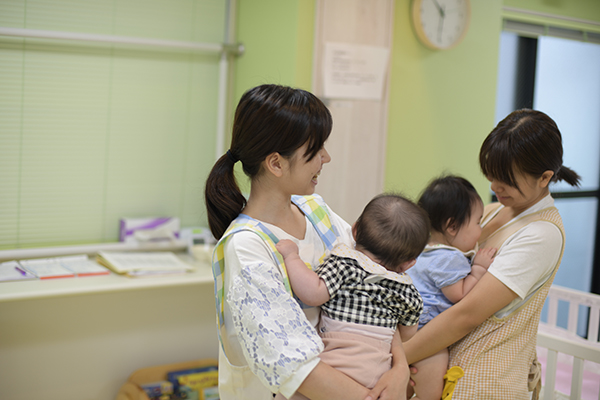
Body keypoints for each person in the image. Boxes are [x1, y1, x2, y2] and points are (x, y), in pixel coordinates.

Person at [205, 84, 407, 400]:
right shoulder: (247, 246)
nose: (326, 157)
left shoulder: (317, 211)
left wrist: (400, 367)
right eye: (315, 150)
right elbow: (294, 368)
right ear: (276, 163)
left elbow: (374, 284)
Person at [403, 109, 581, 400]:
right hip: (440, 361)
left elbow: (467, 314)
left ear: (545, 177)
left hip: (482, 380)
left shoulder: (541, 233)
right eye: (491, 175)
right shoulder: (496, 210)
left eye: (506, 180)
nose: (494, 187)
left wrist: (397, 356)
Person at [274, 193, 429, 400]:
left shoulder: (344, 264)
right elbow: (408, 332)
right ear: (408, 264)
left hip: (336, 362)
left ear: (354, 231)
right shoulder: (407, 291)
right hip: (378, 372)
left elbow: (312, 293)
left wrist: (292, 257)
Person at [405, 176, 497, 400]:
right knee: (432, 393)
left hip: (406, 330)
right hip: (426, 333)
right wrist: (478, 269)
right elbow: (459, 295)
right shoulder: (449, 257)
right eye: (478, 222)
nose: (481, 230)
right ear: (452, 226)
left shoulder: (423, 250)